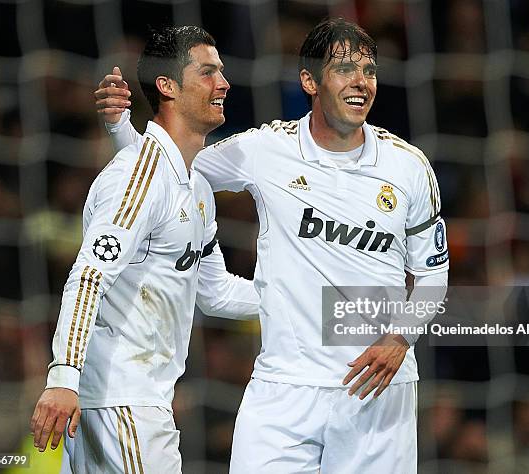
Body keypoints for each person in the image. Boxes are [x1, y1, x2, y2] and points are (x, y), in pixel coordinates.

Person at [98, 18, 449, 473]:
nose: (361, 82)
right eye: (344, 69)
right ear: (309, 80)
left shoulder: (409, 167)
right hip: (284, 387)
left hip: (378, 386)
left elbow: (432, 275)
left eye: (370, 70)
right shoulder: (266, 150)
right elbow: (168, 169)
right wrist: (120, 127)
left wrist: (400, 339)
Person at [31, 25, 259, 474]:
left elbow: (215, 293)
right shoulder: (138, 176)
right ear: (167, 86)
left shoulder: (196, 188)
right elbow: (88, 276)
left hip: (142, 402)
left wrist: (303, 292)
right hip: (120, 403)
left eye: (223, 72)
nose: (224, 83)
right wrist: (62, 378)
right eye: (208, 72)